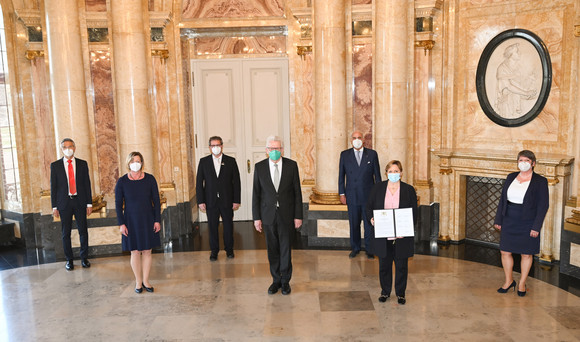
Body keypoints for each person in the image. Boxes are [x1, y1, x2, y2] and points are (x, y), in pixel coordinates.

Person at [494, 150, 548, 297]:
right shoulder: (511, 177)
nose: (523, 163)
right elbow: (502, 200)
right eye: (520, 160)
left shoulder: (540, 181)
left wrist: (536, 226)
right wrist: (498, 219)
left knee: (526, 254)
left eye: (526, 160)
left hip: (528, 221)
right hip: (509, 219)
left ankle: (522, 283)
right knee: (505, 251)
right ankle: (508, 281)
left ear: (533, 163)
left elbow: (543, 206)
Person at [253, 136, 303, 295]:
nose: (275, 151)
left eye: (278, 148)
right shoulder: (259, 167)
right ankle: (275, 280)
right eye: (272, 149)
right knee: (272, 249)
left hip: (287, 215)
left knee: (286, 249)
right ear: (267, 151)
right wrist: (256, 218)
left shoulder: (291, 166)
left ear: (282, 150)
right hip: (268, 216)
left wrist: (298, 216)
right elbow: (256, 194)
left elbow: (297, 193)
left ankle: (285, 281)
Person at [366, 160, 417, 305]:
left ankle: (400, 293)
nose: (393, 174)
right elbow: (369, 207)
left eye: (396, 171)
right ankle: (385, 292)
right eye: (390, 171)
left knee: (401, 265)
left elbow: (414, 212)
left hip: (402, 235)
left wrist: (407, 227)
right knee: (384, 265)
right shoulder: (378, 188)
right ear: (386, 173)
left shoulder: (408, 190)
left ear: (401, 173)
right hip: (384, 234)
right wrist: (372, 219)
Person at [115, 152, 161, 294]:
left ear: (142, 162)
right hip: (131, 220)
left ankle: (146, 280)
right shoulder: (122, 181)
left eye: (139, 161)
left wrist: (157, 220)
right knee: (135, 252)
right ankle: (138, 281)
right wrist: (121, 224)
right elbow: (118, 204)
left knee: (147, 251)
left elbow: (157, 201)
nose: (136, 163)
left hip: (148, 219)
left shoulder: (150, 179)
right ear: (128, 163)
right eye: (133, 161)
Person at [50, 138, 93, 271]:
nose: (68, 149)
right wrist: (54, 206)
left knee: (83, 231)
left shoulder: (82, 164)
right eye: (65, 147)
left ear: (74, 148)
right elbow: (54, 187)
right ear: (61, 149)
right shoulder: (55, 165)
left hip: (80, 202)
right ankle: (69, 260)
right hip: (64, 203)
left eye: (70, 146)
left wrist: (89, 203)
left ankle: (84, 258)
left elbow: (87, 184)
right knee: (65, 233)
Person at [196, 136, 241, 261]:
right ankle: (214, 251)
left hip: (227, 200)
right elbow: (199, 183)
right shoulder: (203, 162)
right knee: (212, 227)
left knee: (228, 226)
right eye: (213, 145)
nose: (215, 147)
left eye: (218, 145)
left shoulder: (230, 161)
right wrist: (200, 201)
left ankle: (229, 250)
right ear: (210, 147)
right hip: (210, 200)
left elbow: (236, 182)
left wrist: (236, 200)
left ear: (222, 146)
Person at [339, 130, 381, 259]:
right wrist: (342, 193)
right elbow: (341, 176)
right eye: (354, 137)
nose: (357, 139)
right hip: (352, 195)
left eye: (359, 137)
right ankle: (355, 248)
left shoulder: (372, 154)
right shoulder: (345, 155)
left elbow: (377, 176)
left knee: (369, 224)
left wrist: (378, 195)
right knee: (354, 223)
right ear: (351, 140)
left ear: (363, 140)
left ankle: (370, 249)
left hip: (368, 196)